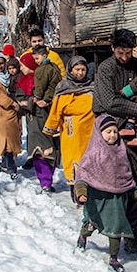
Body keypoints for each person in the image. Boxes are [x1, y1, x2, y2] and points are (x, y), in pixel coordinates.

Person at [92, 28, 137, 252]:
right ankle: (122, 231)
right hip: (113, 131)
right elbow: (110, 102)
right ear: (112, 48)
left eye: (128, 52)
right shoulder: (105, 69)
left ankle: (136, 225)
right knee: (122, 182)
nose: (124, 57)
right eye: (120, 52)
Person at [74, 115, 137, 272]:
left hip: (116, 201)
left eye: (115, 131)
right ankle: (83, 236)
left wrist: (136, 193)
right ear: (99, 133)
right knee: (91, 222)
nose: (112, 135)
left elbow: (126, 175)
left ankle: (113, 257)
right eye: (108, 131)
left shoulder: (121, 152)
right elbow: (83, 175)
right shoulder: (93, 154)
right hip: (97, 199)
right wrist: (81, 192)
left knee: (115, 228)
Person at [44, 56, 96, 202]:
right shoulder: (63, 87)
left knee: (89, 161)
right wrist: (51, 130)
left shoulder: (92, 87)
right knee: (74, 162)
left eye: (83, 70)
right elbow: (55, 110)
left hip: (90, 131)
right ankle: (76, 193)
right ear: (70, 70)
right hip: (71, 133)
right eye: (77, 69)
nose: (80, 73)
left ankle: (90, 193)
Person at [26, 45, 62, 193]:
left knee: (42, 146)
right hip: (54, 104)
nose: (36, 61)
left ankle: (45, 182)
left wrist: (38, 98)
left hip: (43, 108)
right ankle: (48, 179)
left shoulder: (41, 70)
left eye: (37, 58)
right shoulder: (55, 68)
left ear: (42, 56)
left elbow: (40, 88)